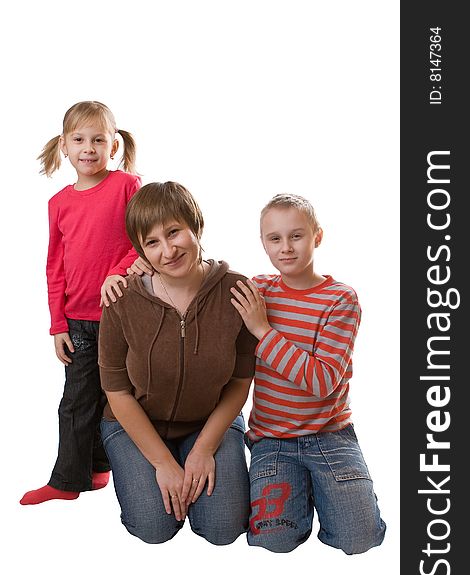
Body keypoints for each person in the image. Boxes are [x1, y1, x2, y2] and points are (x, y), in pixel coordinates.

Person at [98, 181, 257, 545]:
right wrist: (163, 464)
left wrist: (203, 449)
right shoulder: (121, 300)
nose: (168, 250)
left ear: (195, 226)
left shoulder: (237, 292)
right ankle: (155, 465)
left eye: (174, 232)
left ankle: (190, 456)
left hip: (210, 420)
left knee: (223, 527)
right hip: (134, 421)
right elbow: (116, 390)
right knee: (154, 527)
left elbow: (239, 381)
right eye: (152, 243)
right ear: (140, 250)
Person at [230, 193, 386, 554]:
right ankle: (302, 484)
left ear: (317, 236)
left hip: (329, 435)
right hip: (273, 439)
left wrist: (262, 330)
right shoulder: (260, 290)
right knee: (275, 541)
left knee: (358, 539)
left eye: (296, 236)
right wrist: (139, 266)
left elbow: (321, 382)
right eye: (275, 239)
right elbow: (203, 279)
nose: (286, 247)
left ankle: (324, 485)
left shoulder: (340, 300)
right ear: (264, 244)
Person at [20, 101, 141, 505]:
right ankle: (68, 481)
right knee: (76, 400)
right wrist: (58, 325)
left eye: (98, 139)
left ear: (113, 145)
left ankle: (100, 467)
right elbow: (55, 267)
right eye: (79, 140)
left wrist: (117, 272)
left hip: (121, 317)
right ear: (64, 147)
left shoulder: (127, 185)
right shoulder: (59, 203)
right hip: (77, 320)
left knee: (115, 396)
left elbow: (143, 242)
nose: (88, 148)